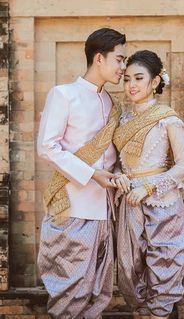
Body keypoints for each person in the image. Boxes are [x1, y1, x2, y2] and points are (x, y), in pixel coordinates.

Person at [37, 28, 126, 319]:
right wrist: (92, 175)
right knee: (70, 293)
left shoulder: (110, 103)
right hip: (72, 208)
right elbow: (47, 147)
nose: (123, 68)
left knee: (98, 291)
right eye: (119, 60)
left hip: (104, 210)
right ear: (99, 59)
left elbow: (112, 156)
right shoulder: (64, 95)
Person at [113, 50, 184, 319]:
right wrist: (118, 176)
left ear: (155, 81)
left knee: (163, 265)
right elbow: (117, 164)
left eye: (138, 78)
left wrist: (148, 187)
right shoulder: (122, 120)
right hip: (130, 201)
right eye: (126, 79)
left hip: (161, 202)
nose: (131, 85)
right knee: (128, 267)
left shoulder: (167, 118)